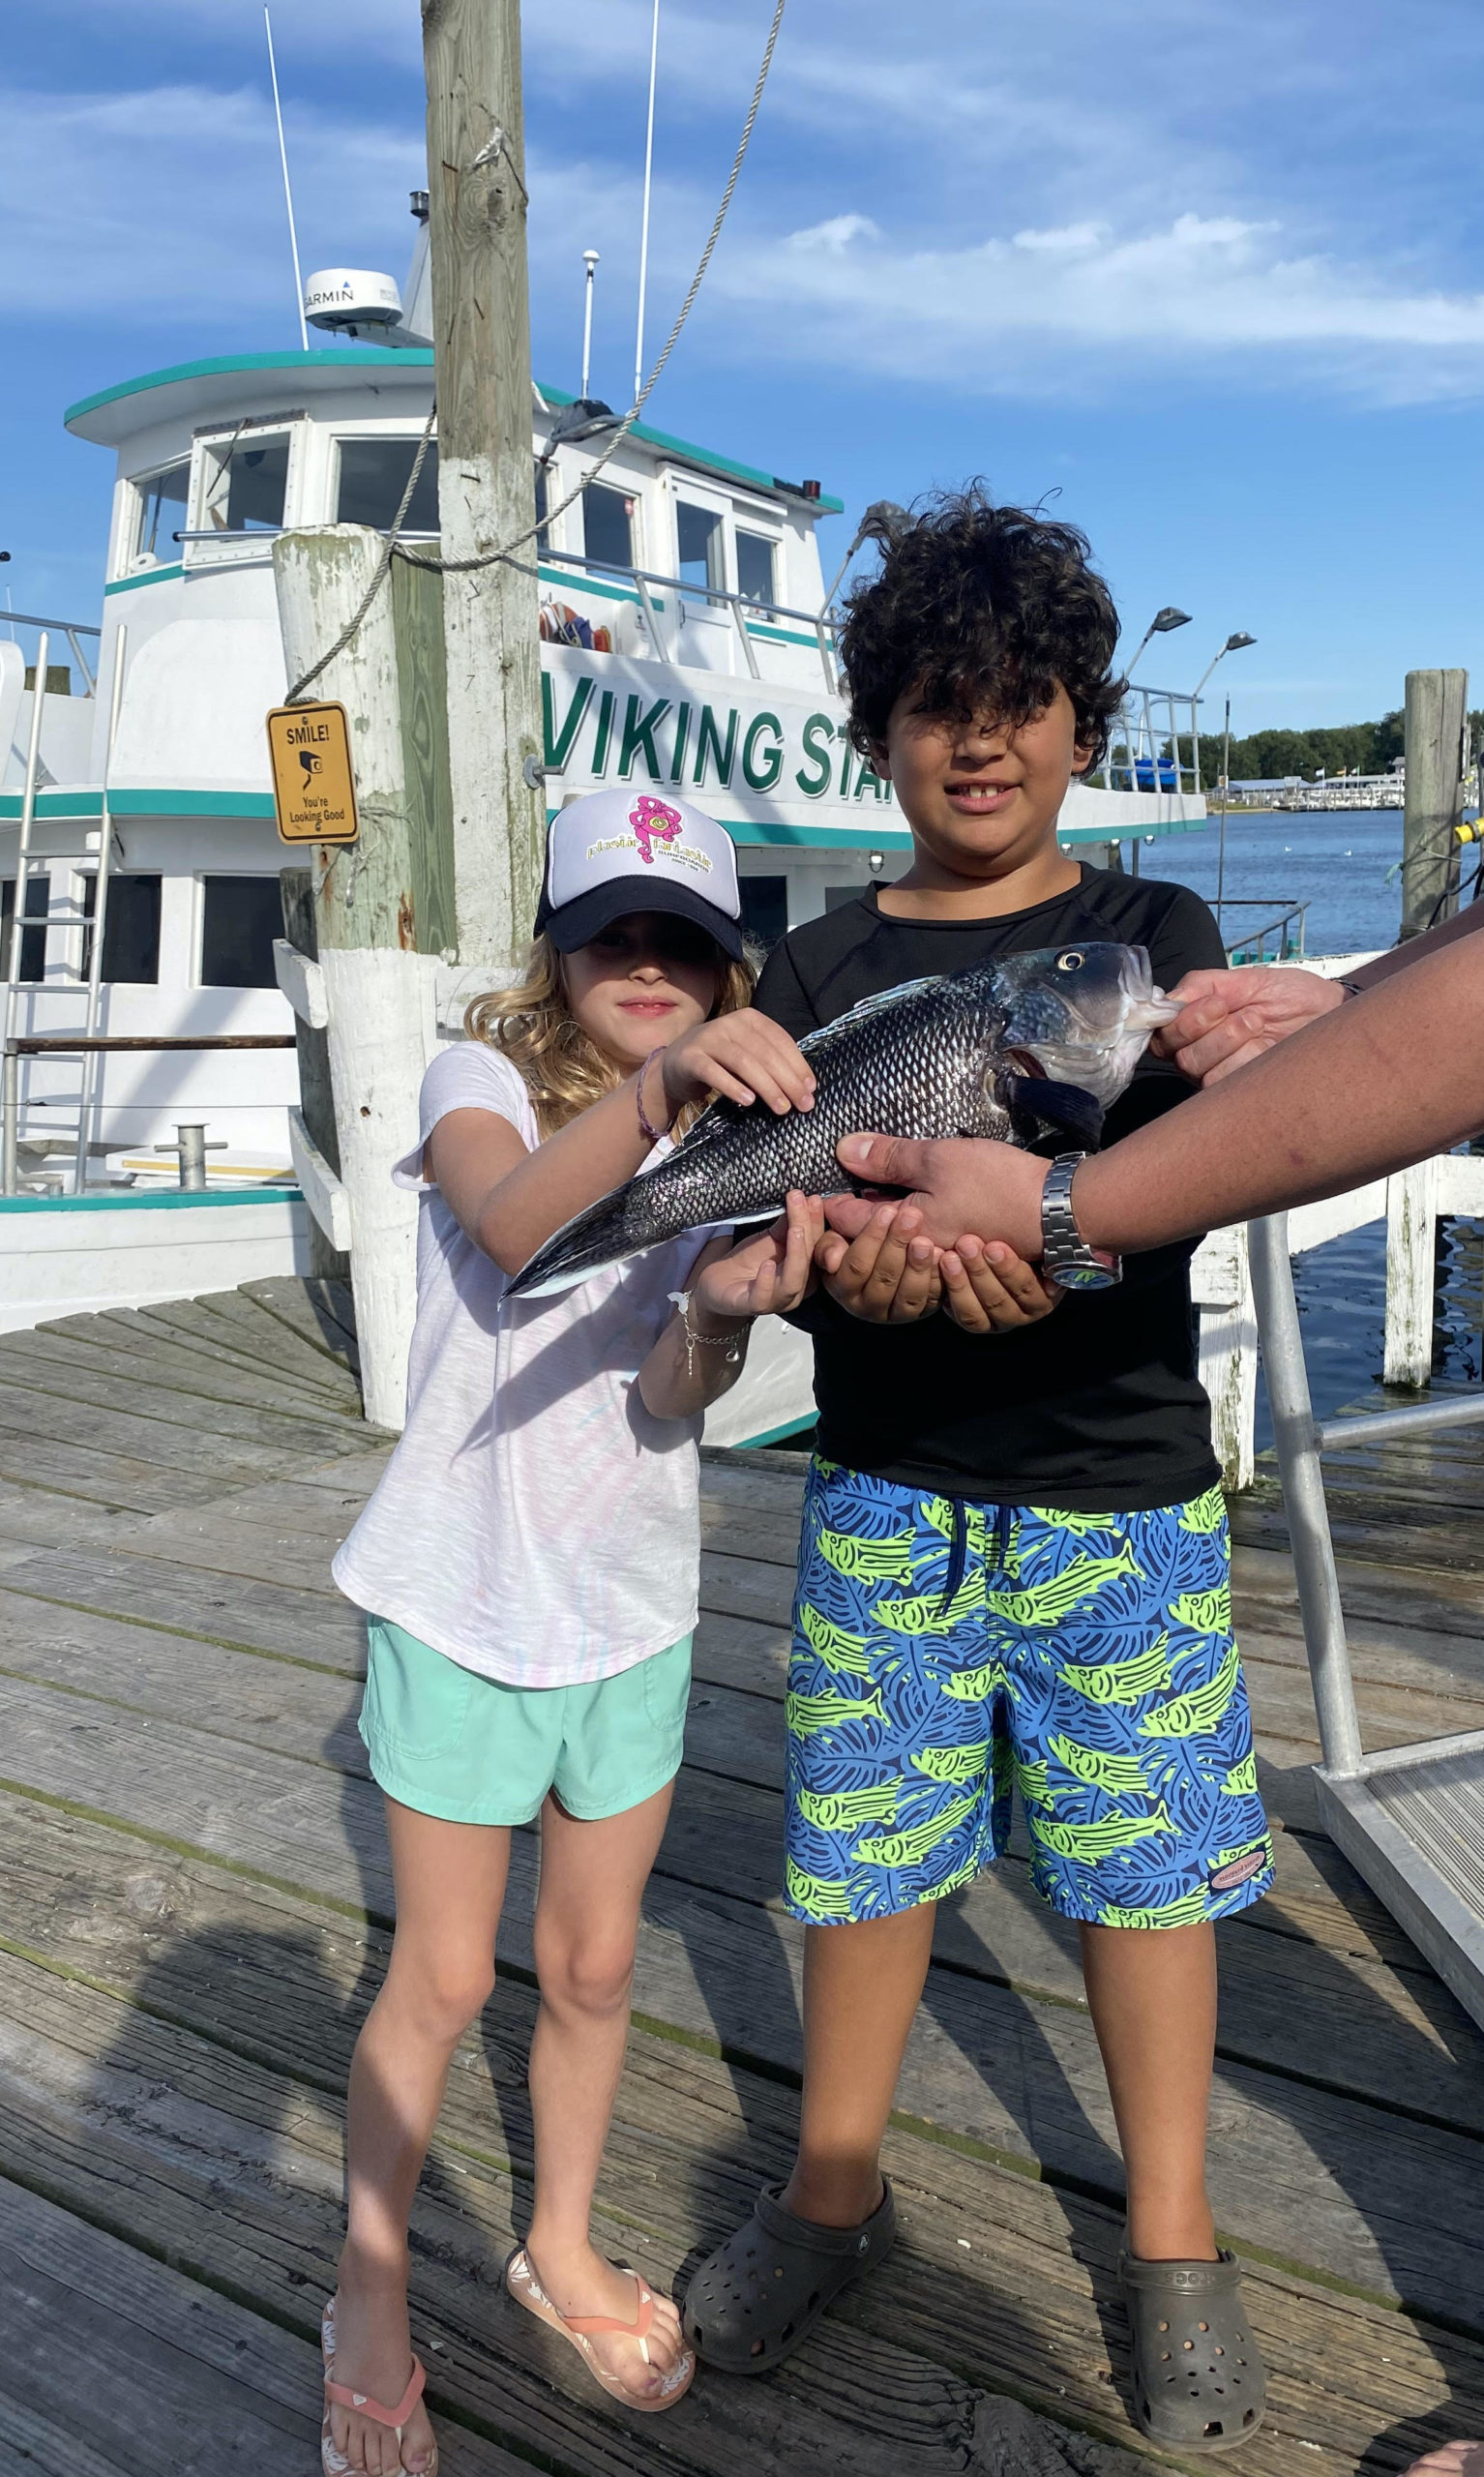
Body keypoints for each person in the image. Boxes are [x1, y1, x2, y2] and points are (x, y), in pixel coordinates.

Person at [683, 491, 1272, 2456]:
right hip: (881, 1481)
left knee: (1141, 1874)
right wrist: (793, 1264)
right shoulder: (822, 956)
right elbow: (763, 1227)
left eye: (1021, 698)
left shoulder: (1149, 935)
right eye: (936, 700)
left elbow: (1183, 1176)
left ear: (1083, 722)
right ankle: (828, 2187)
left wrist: (1047, 1234)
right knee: (859, 1856)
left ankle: (1172, 2242)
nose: (981, 736)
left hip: (1118, 1481)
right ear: (877, 729)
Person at [321, 790, 822, 2476]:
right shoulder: (482, 1084)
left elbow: (673, 1400)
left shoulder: (719, 1154)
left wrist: (712, 1310)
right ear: (556, 951)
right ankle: (368, 2291)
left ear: (723, 964)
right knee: (448, 1973)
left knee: (598, 1966)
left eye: (684, 940)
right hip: (462, 1604)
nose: (647, 963)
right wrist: (669, 1094)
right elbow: (514, 1221)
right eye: (614, 928)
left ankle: (558, 2239)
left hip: (631, 1612)